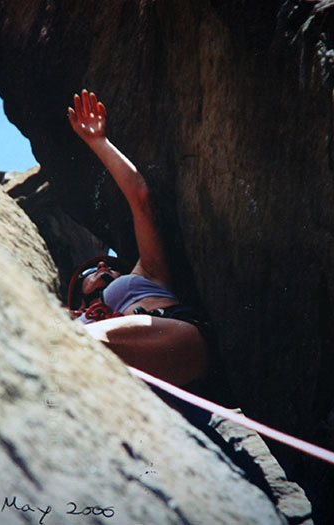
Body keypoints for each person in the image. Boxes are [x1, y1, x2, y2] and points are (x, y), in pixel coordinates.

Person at [66, 89, 209, 388]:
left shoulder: (148, 273)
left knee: (69, 344)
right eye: (93, 270)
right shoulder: (76, 316)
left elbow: (140, 198)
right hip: (144, 384)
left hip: (174, 340)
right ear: (80, 297)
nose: (104, 265)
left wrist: (99, 142)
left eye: (111, 265)